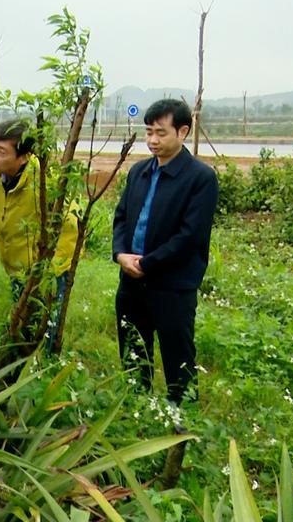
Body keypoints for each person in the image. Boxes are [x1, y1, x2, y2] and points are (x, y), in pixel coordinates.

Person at [113, 98, 219, 404]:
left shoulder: (200, 178)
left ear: (183, 131)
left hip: (172, 285)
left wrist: (148, 263)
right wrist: (121, 254)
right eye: (148, 133)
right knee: (133, 351)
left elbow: (189, 236)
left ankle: (180, 420)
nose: (152, 141)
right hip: (131, 279)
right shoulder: (139, 172)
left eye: (161, 133)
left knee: (178, 357)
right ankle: (135, 408)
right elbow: (121, 218)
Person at [0, 119, 78, 351]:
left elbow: (70, 226)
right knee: (21, 323)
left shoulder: (45, 181)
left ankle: (43, 372)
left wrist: (50, 269)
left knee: (45, 328)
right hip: (17, 266)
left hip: (45, 271)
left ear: (24, 156)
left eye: (1, 151)